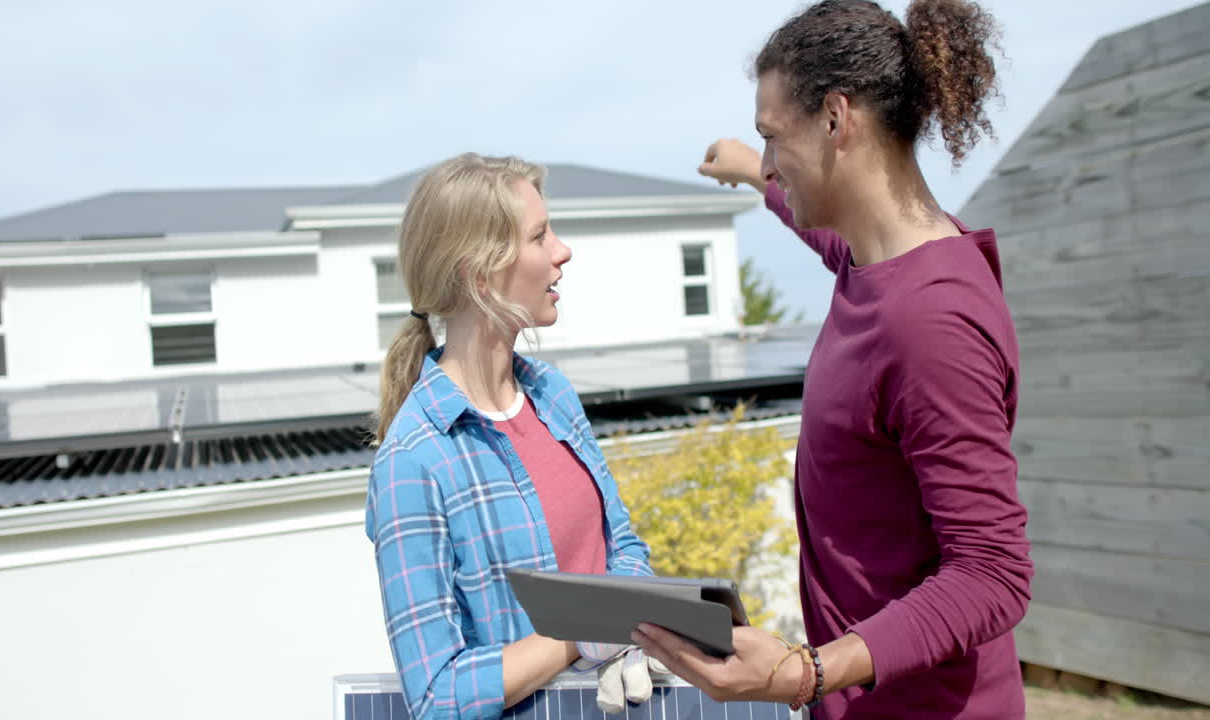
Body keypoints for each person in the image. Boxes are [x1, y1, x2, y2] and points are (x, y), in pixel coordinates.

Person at [632, 1, 1034, 718]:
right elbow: (833, 242)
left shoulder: (931, 323)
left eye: (772, 138)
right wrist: (751, 173)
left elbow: (993, 573)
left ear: (835, 119)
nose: (770, 161)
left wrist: (807, 672)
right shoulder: (879, 260)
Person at [365, 153, 661, 720]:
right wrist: (586, 633)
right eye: (539, 236)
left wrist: (633, 627)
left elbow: (623, 545)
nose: (562, 251)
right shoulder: (413, 461)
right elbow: (437, 695)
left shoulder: (553, 394)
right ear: (479, 273)